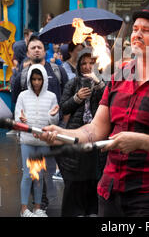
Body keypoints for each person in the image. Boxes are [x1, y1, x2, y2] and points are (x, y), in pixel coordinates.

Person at [38, 3, 149, 217]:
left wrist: (140, 141)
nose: (137, 35)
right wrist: (62, 134)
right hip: (109, 190)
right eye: (135, 29)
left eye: (147, 30)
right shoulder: (119, 76)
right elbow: (95, 129)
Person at [56, 48, 106, 216]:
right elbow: (63, 108)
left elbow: (108, 104)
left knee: (94, 176)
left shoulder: (101, 83)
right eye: (83, 63)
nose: (87, 66)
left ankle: (92, 210)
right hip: (76, 133)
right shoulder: (73, 83)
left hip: (96, 136)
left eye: (90, 63)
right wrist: (77, 98)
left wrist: (99, 86)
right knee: (75, 177)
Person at [15, 64, 59, 217]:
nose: (36, 82)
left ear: (44, 79)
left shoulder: (51, 96)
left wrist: (53, 115)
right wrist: (23, 122)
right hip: (27, 141)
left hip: (43, 142)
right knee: (27, 175)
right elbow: (16, 118)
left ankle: (38, 208)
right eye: (33, 79)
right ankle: (23, 209)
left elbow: (54, 121)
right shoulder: (23, 96)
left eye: (39, 79)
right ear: (29, 79)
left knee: (39, 175)